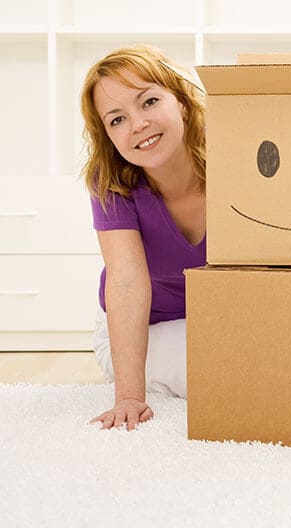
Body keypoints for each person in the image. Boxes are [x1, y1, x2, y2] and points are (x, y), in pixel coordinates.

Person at [80, 45, 206, 430]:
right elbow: (127, 281)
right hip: (144, 329)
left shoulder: (234, 159)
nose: (137, 125)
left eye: (149, 101)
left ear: (181, 102)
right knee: (237, 367)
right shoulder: (113, 184)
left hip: (219, 318)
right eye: (117, 119)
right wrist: (130, 397)